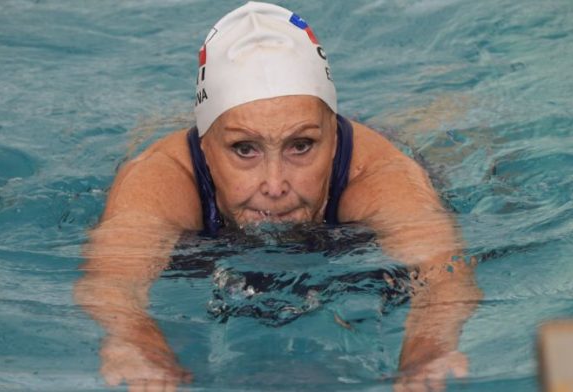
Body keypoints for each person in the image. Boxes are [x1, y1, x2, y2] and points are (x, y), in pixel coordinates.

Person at [74, 2, 482, 391]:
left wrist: (427, 351)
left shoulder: (379, 175)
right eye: (244, 150)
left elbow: (444, 273)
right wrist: (133, 339)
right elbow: (111, 283)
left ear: (336, 139)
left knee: (458, 129)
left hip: (397, 147)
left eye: (301, 146)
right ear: (204, 147)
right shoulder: (161, 177)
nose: (274, 183)